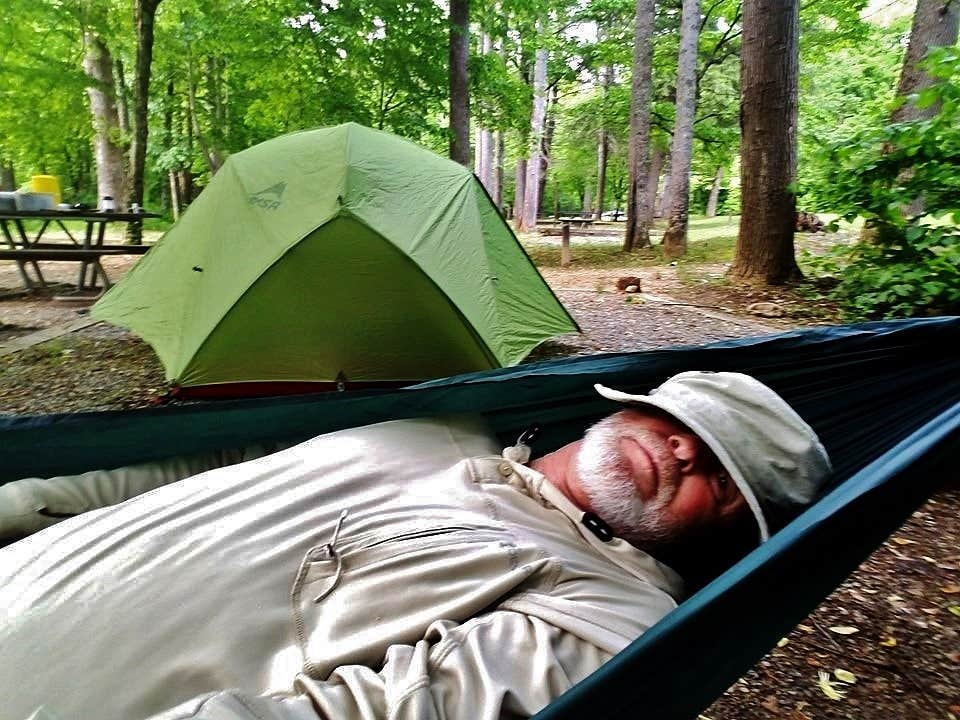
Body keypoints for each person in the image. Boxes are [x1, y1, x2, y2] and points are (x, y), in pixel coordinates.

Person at [0, 371, 831, 720]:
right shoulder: (444, 423)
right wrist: (24, 501)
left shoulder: (612, 606)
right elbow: (219, 466)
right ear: (626, 404)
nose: (686, 451)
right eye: (681, 424)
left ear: (728, 535)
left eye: (721, 477)